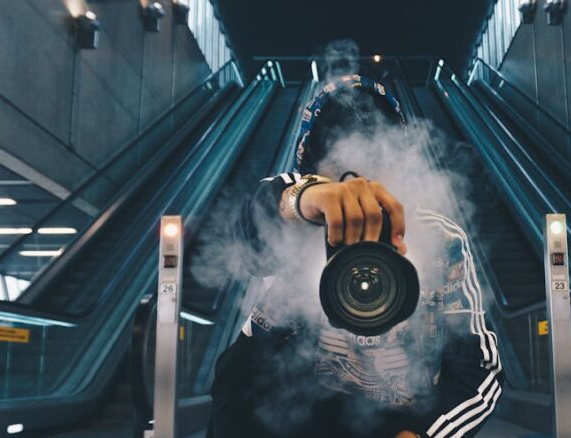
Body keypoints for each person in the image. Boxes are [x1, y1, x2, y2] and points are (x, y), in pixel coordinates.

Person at [209, 74, 503, 438]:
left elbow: (480, 368)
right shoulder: (301, 220)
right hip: (292, 410)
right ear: (313, 170)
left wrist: (424, 436)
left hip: (401, 419)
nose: (360, 181)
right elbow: (255, 235)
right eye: (336, 159)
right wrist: (304, 201)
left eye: (375, 154)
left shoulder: (441, 239)